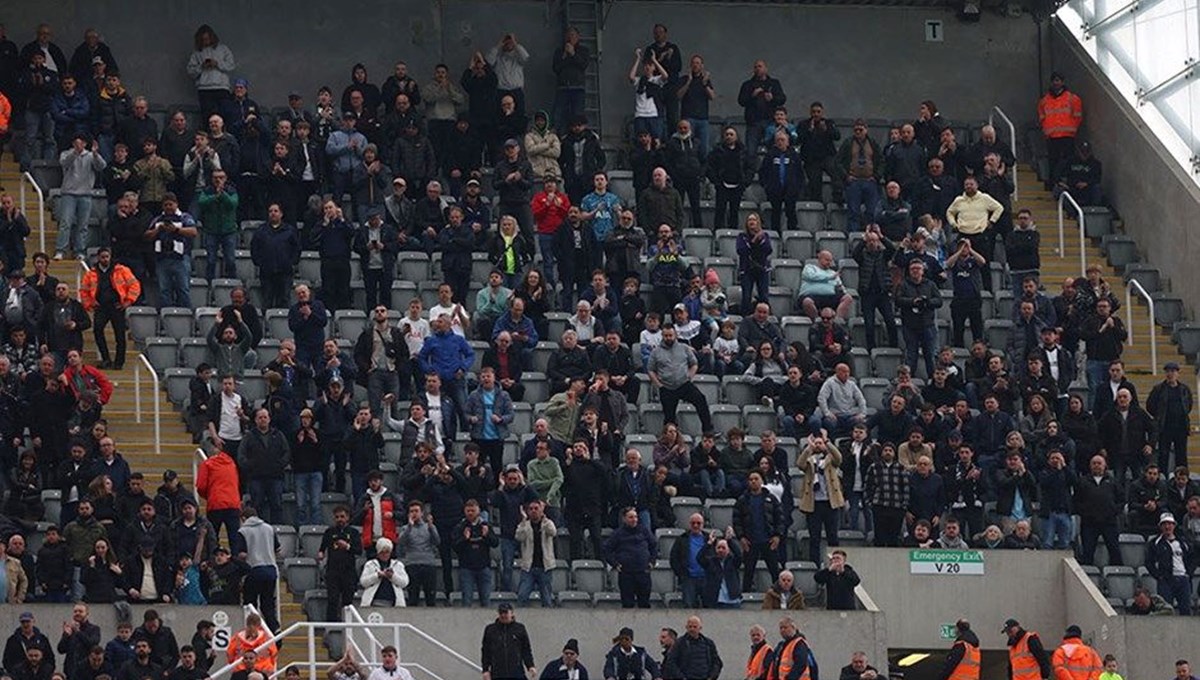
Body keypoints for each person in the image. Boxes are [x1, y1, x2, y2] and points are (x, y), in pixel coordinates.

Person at [79, 247, 139, 369]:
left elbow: (134, 285)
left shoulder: (121, 270)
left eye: (107, 257)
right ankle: (106, 358)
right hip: (101, 306)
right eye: (103, 257)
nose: (105, 259)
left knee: (120, 335)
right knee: (97, 330)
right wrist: (90, 304)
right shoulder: (92, 273)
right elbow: (84, 291)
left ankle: (119, 362)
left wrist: (128, 302)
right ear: (98, 258)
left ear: (110, 257)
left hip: (117, 306)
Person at [146, 193, 197, 307]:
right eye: (165, 205)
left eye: (170, 204)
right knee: (164, 290)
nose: (168, 207)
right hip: (162, 259)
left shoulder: (185, 217)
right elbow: (147, 235)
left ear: (176, 204)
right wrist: (158, 230)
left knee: (183, 289)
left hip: (180, 258)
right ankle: (167, 315)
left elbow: (193, 232)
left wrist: (176, 230)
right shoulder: (158, 219)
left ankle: (185, 314)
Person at [604, 506, 657, 609]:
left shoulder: (644, 531)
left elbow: (654, 546)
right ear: (624, 519)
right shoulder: (618, 534)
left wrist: (652, 561)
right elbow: (607, 549)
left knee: (644, 604)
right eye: (631, 517)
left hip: (643, 572)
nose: (634, 520)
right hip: (626, 574)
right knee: (627, 604)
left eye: (636, 517)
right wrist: (614, 564)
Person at [705, 126, 754, 231]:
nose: (729, 137)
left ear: (736, 137)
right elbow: (709, 166)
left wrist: (745, 182)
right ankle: (718, 232)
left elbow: (750, 167)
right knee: (720, 211)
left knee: (734, 212)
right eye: (727, 134)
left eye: (731, 134)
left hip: (737, 186)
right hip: (722, 185)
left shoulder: (743, 151)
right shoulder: (717, 151)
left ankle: (733, 233)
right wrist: (716, 181)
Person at [1147, 362, 1193, 474]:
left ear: (1178, 373)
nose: (1170, 374)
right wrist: (1159, 416)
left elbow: (1189, 405)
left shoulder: (1184, 389)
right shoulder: (1158, 389)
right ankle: (1163, 478)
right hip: (1165, 427)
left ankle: (1182, 478)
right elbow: (1150, 405)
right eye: (1168, 371)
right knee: (1163, 455)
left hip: (1180, 427)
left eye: (1173, 371)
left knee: (1181, 456)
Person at [1145, 512, 1195, 615]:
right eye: (1164, 524)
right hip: (1166, 580)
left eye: (1170, 524)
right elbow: (1149, 562)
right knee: (1166, 611)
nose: (1167, 527)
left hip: (1183, 579)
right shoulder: (1155, 543)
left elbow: (1191, 558)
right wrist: (1159, 576)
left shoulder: (1183, 542)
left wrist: (1188, 573)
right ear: (1160, 526)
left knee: (1185, 610)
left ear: (1174, 525)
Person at [480, 602, 535, 678]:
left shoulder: (520, 628)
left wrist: (530, 665)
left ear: (511, 613)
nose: (503, 615)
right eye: (501, 612)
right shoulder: (490, 630)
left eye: (506, 612)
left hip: (516, 673)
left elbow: (526, 649)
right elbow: (486, 651)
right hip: (497, 673)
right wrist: (485, 669)